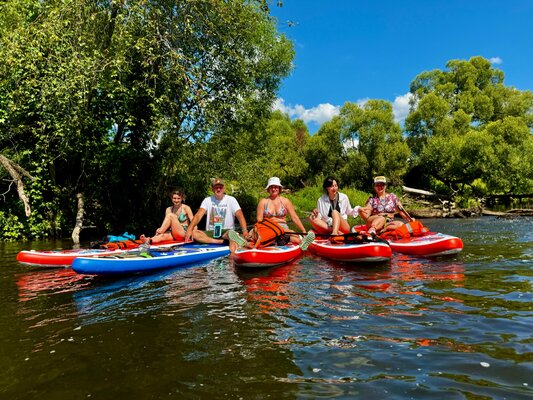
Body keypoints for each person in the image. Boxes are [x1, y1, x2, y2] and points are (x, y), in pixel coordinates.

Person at [184, 178, 248, 247]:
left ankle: (234, 239)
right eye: (216, 188)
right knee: (194, 233)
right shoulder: (207, 200)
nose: (218, 189)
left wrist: (245, 231)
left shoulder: (231, 200)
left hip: (226, 231)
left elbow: (240, 216)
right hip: (211, 231)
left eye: (220, 187)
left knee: (230, 233)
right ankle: (221, 241)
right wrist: (189, 229)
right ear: (212, 189)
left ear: (224, 189)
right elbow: (198, 215)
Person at [256, 177, 307, 244]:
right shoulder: (263, 202)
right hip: (269, 228)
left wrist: (303, 231)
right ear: (268, 189)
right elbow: (259, 220)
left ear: (279, 188)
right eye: (271, 187)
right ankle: (299, 241)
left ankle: (298, 239)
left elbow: (294, 217)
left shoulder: (285, 201)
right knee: (292, 235)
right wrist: (275, 228)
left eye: (275, 187)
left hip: (283, 227)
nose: (273, 189)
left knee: (294, 235)